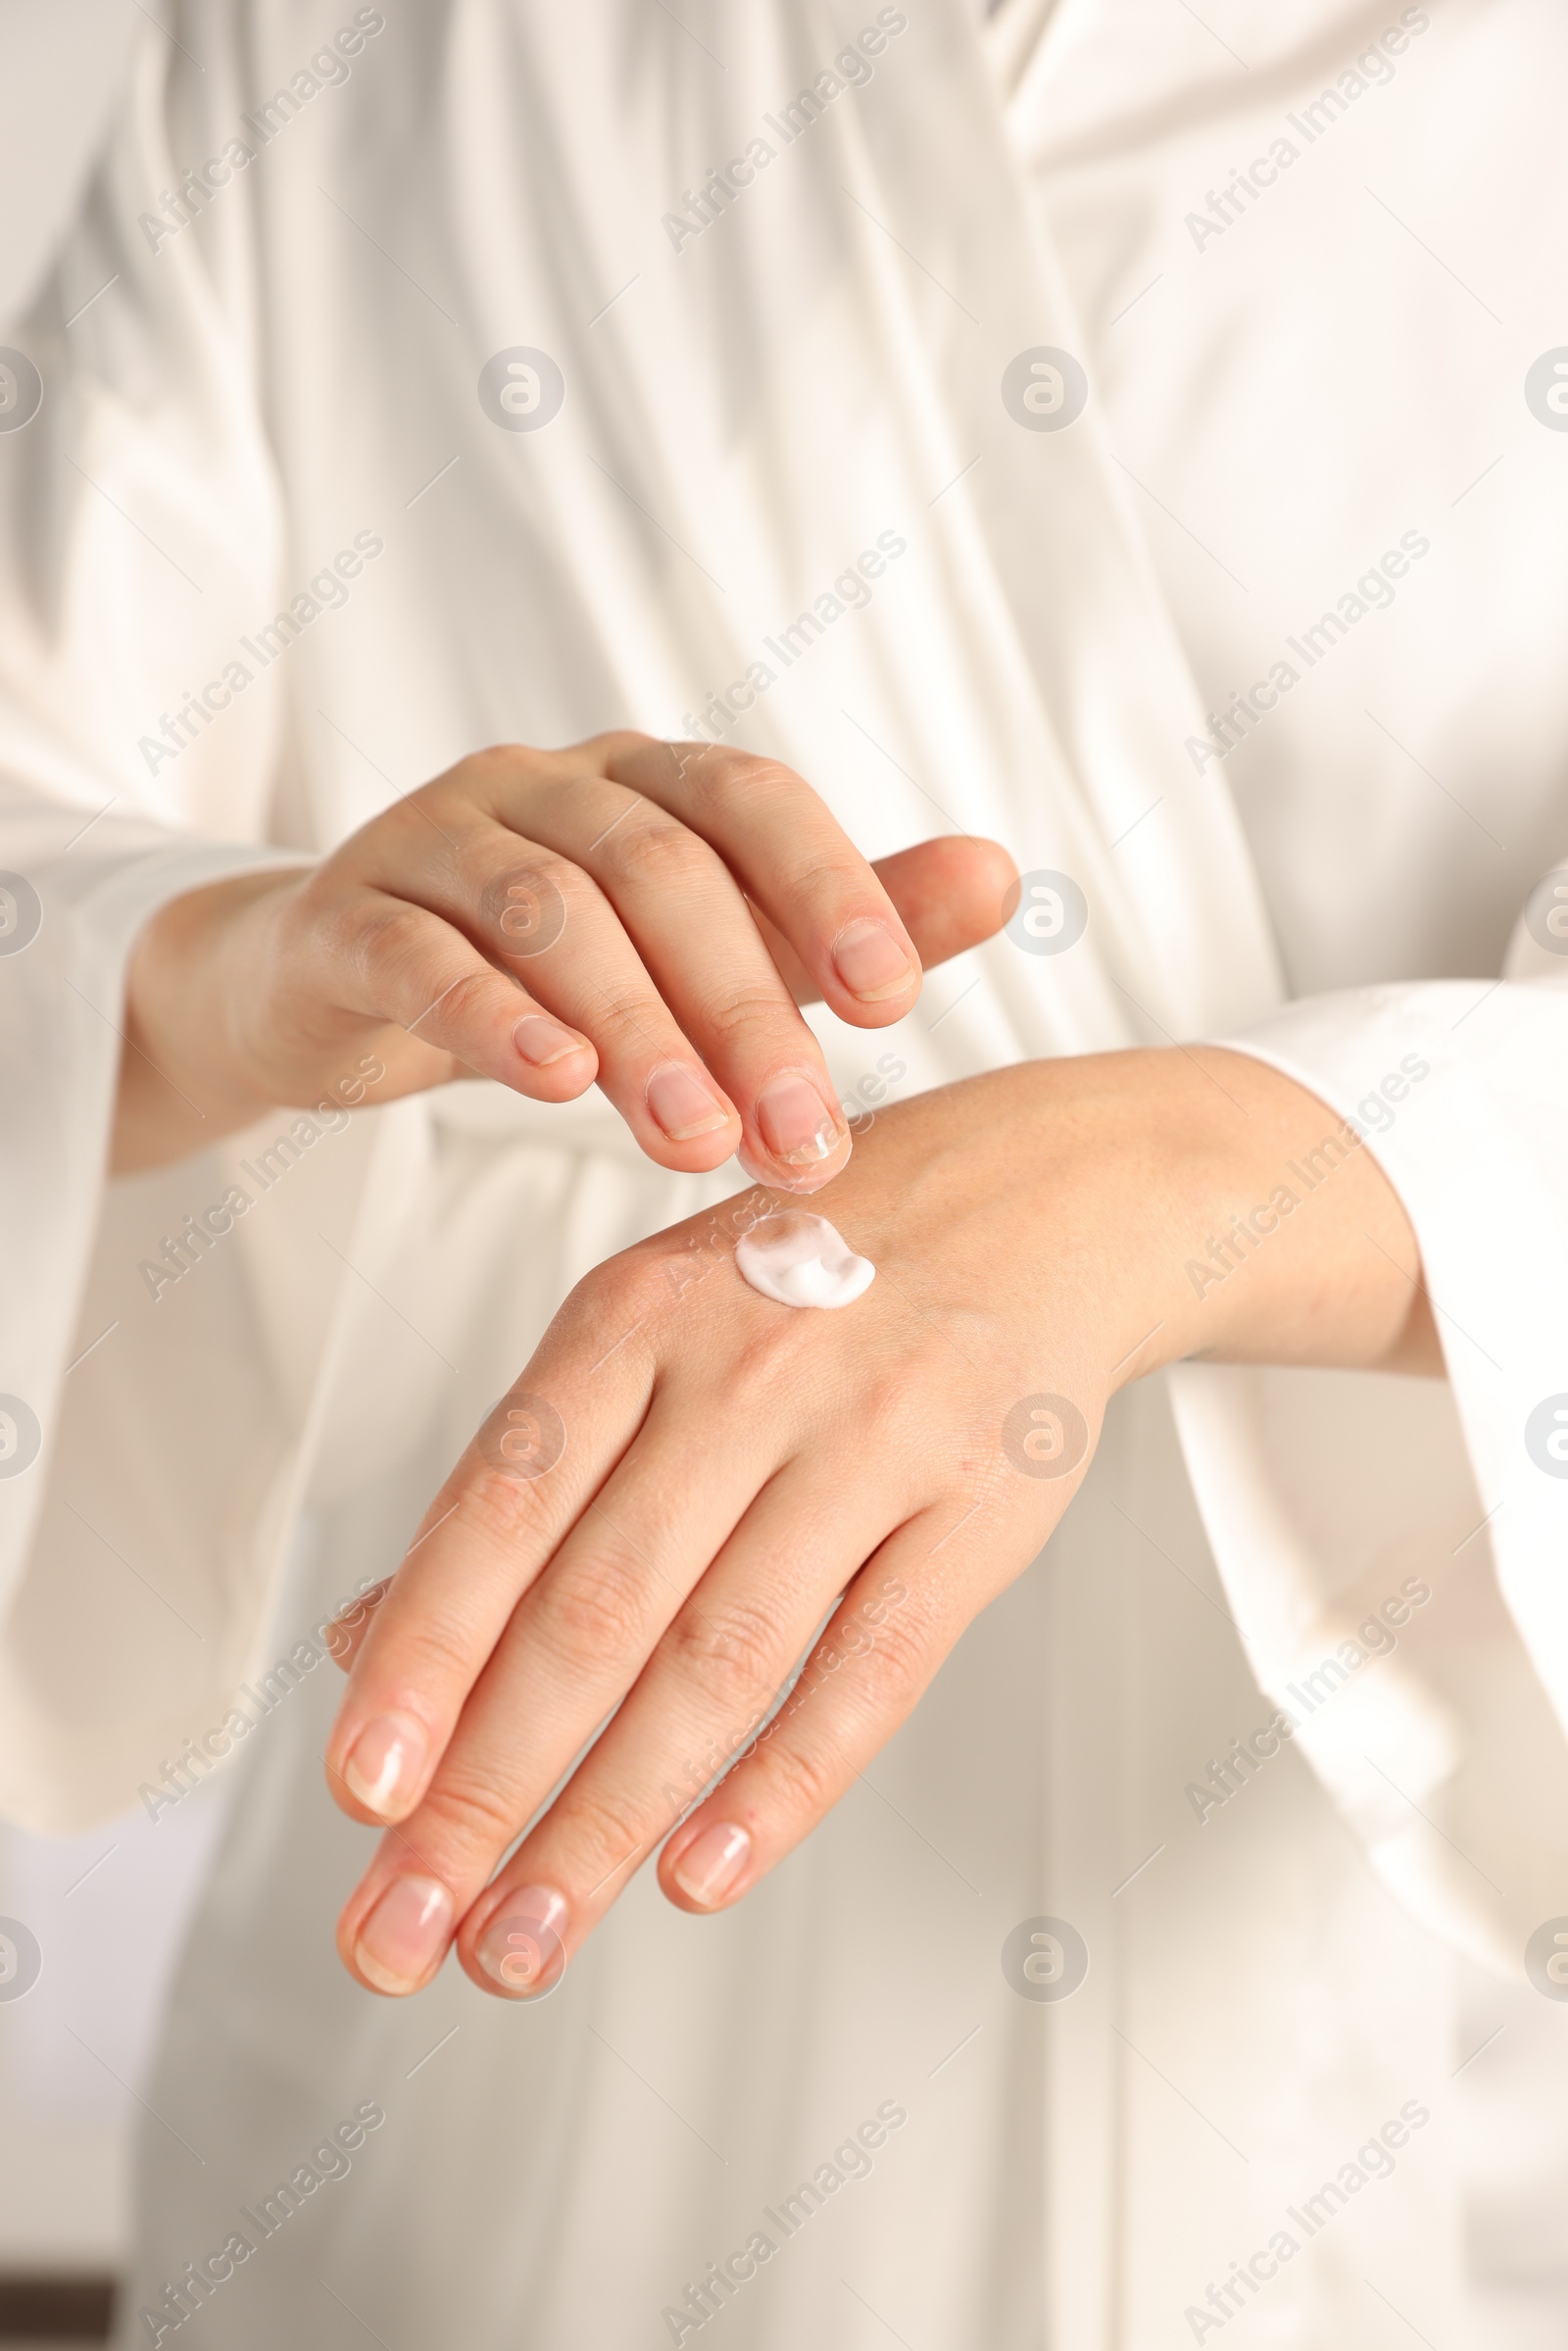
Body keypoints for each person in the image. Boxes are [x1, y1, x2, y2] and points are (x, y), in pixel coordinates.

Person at [4, 1, 1568, 2342]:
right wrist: (234, 967)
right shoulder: (361, 44)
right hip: (483, 2092)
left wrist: (1187, 1176)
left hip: (1400, 2042)